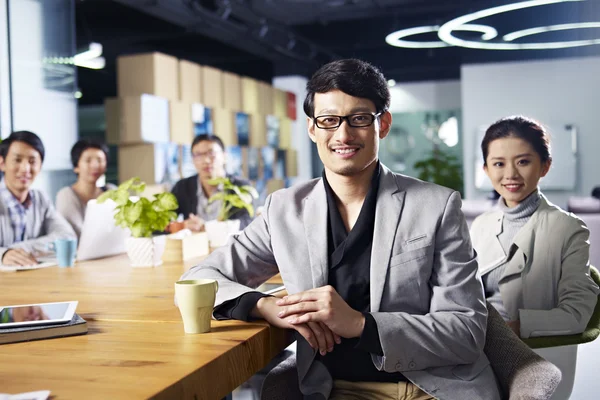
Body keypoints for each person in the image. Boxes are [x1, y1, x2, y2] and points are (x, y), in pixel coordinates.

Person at [179, 59, 500, 400]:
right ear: (312, 128)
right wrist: (266, 306)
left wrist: (362, 325)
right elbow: (200, 277)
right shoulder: (285, 209)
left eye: (359, 119)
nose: (343, 135)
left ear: (384, 123)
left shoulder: (437, 206)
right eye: (329, 121)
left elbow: (467, 331)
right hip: (336, 389)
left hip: (433, 386)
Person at [470, 116, 599, 338]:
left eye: (523, 162)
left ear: (545, 166)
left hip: (525, 349)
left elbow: (576, 314)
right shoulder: (480, 225)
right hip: (471, 340)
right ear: (486, 169)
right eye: (499, 164)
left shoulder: (568, 228)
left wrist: (510, 330)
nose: (510, 174)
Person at [0, 131, 76, 265]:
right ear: (2, 163)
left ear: (40, 166)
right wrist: (3, 254)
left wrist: (17, 250)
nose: (25, 168)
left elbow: (66, 236)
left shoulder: (40, 199)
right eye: (17, 160)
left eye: (32, 161)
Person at [171, 134, 253, 231]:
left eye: (211, 154)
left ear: (224, 156)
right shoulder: (183, 187)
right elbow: (160, 223)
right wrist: (182, 225)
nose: (206, 160)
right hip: (194, 245)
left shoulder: (239, 186)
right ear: (193, 160)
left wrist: (208, 228)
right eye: (198, 155)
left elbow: (247, 222)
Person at [55, 139, 116, 238]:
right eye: (88, 160)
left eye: (100, 160)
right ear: (76, 166)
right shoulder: (66, 195)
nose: (95, 165)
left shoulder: (111, 190)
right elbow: (75, 234)